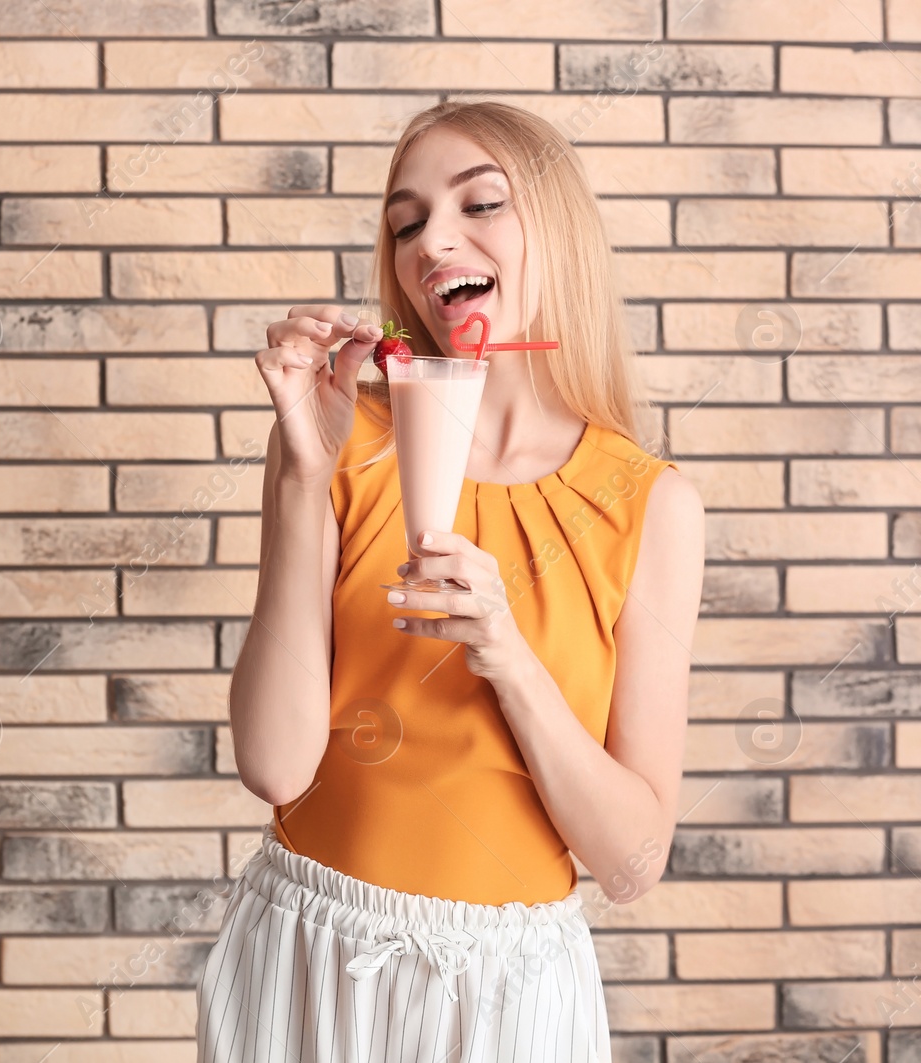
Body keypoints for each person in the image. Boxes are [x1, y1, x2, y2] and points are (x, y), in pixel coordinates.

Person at [195, 100, 707, 1062]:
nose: (433, 241)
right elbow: (273, 765)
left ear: (557, 231)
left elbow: (632, 861)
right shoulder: (338, 439)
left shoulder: (650, 505)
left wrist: (507, 655)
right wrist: (305, 474)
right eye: (405, 224)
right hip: (307, 957)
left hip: (507, 996)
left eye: (480, 204)